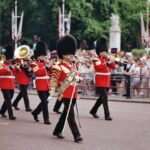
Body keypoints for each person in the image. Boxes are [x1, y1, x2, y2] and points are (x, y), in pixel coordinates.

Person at [49, 34, 83, 142]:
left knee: (65, 113)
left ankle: (57, 130)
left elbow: (78, 76)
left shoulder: (72, 66)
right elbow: (54, 80)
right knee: (70, 114)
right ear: (63, 54)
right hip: (64, 92)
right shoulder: (58, 66)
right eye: (68, 54)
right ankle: (76, 135)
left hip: (73, 92)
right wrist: (51, 93)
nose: (71, 56)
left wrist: (78, 78)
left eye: (71, 54)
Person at [89, 38, 116, 120]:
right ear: (99, 52)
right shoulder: (96, 59)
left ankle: (93, 111)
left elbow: (113, 67)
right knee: (105, 98)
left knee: (101, 98)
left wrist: (111, 61)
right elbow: (99, 67)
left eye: (105, 51)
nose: (104, 53)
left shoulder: (106, 59)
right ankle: (107, 115)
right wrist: (107, 62)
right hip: (100, 80)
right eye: (102, 51)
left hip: (106, 81)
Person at [30, 41, 51, 125]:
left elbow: (50, 73)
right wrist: (46, 67)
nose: (43, 56)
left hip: (47, 85)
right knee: (44, 102)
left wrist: (51, 67)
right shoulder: (33, 64)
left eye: (44, 55)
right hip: (40, 85)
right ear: (38, 55)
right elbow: (38, 73)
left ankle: (35, 112)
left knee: (46, 101)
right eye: (42, 55)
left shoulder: (46, 62)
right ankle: (46, 119)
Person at [12, 44, 32, 112]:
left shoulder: (27, 60)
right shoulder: (18, 60)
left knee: (22, 93)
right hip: (21, 77)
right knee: (25, 93)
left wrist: (29, 64)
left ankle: (14, 103)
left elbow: (29, 67)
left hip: (26, 77)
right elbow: (17, 68)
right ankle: (27, 107)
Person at [0, 44, 16, 120]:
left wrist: (16, 68)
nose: (10, 59)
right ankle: (11, 115)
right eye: (9, 58)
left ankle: (2, 111)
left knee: (9, 99)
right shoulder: (1, 62)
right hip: (4, 84)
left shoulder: (10, 63)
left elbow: (14, 73)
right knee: (8, 100)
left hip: (11, 84)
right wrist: (9, 68)